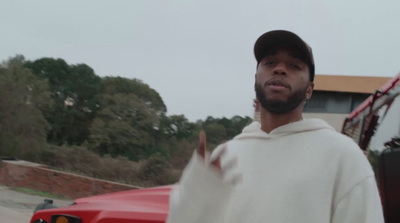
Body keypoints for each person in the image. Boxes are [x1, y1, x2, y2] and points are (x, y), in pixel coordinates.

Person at [166, 30, 384, 223]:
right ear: (255, 80)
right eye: (270, 63)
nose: (280, 69)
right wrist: (194, 199)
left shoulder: (343, 156)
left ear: (310, 89)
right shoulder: (227, 155)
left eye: (294, 65)